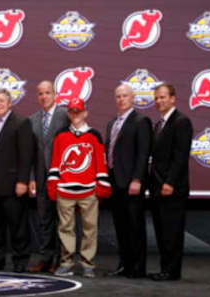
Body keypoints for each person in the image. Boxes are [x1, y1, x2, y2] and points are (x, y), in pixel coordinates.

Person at [47, 98, 112, 278]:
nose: (75, 115)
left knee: (90, 229)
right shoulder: (60, 135)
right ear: (69, 114)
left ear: (85, 113)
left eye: (78, 111)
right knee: (65, 228)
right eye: (72, 112)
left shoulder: (94, 135)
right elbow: (56, 162)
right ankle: (66, 262)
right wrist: (53, 184)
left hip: (88, 191)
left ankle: (87, 263)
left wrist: (102, 185)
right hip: (65, 189)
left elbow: (100, 163)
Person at [0, 88, 34, 273]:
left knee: (17, 225)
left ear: (10, 103)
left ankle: (20, 261)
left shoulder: (21, 123)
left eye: (2, 100)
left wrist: (23, 181)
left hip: (12, 184)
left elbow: (26, 155)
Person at [105, 84, 152, 278]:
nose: (121, 99)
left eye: (125, 96)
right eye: (118, 96)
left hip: (132, 183)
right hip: (115, 182)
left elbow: (143, 154)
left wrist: (137, 179)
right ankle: (124, 264)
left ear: (132, 98)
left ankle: (138, 268)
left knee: (135, 226)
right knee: (121, 227)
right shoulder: (112, 123)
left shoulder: (141, 121)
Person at [148, 83, 193, 281]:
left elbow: (181, 156)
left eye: (163, 97)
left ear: (173, 98)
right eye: (156, 98)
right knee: (162, 231)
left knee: (172, 232)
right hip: (157, 187)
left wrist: (170, 182)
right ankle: (165, 268)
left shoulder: (181, 122)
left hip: (172, 188)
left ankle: (172, 271)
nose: (159, 101)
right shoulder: (159, 124)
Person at [27, 81, 69, 273]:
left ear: (55, 94)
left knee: (62, 220)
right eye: (40, 93)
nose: (44, 97)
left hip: (62, 177)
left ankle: (61, 260)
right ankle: (45, 257)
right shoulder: (33, 119)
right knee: (44, 219)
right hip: (41, 177)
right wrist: (31, 177)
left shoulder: (66, 115)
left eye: (47, 93)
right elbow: (30, 153)